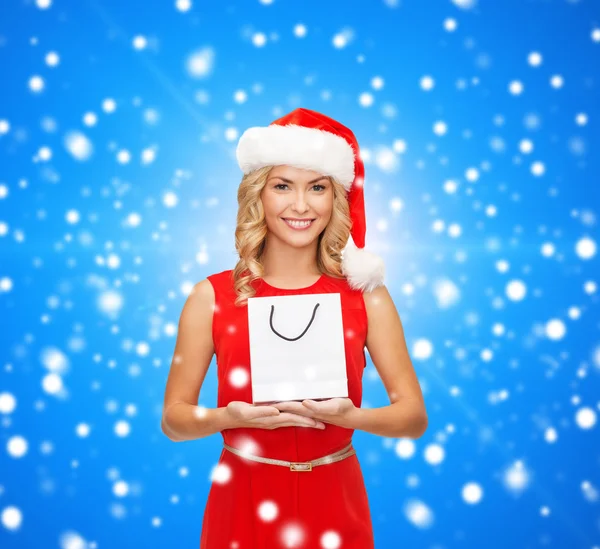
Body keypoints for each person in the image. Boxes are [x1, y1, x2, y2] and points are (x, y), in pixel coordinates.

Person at [161, 108, 428, 548]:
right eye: (282, 186)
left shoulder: (368, 296)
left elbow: (413, 417)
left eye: (317, 188)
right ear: (257, 196)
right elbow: (174, 420)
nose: (301, 205)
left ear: (335, 198)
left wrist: (351, 417)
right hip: (243, 497)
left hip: (336, 497)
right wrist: (228, 417)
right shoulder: (210, 297)